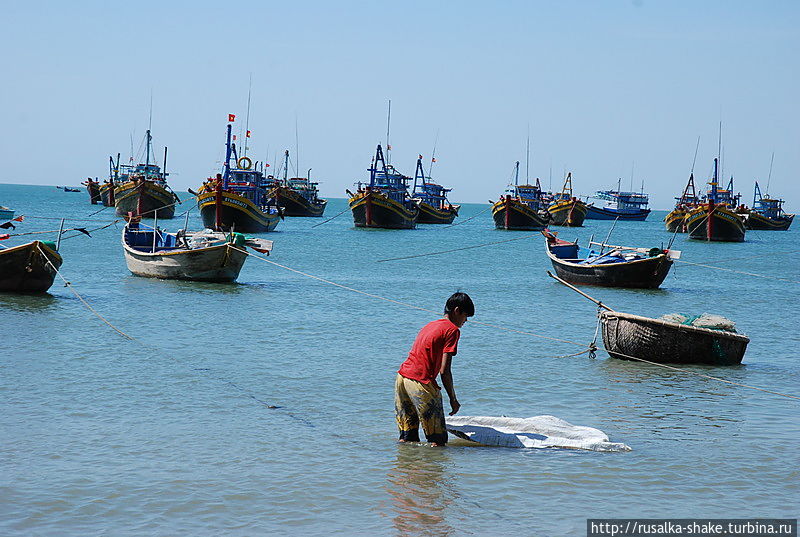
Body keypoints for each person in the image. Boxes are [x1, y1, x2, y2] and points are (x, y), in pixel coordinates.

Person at [395, 292, 475, 447]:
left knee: (407, 437)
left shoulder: (430, 325)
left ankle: (405, 469)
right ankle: (432, 471)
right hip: (420, 382)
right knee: (437, 441)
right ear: (457, 311)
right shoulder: (452, 330)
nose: (465, 321)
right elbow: (444, 371)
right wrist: (453, 399)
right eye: (466, 316)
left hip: (402, 379)